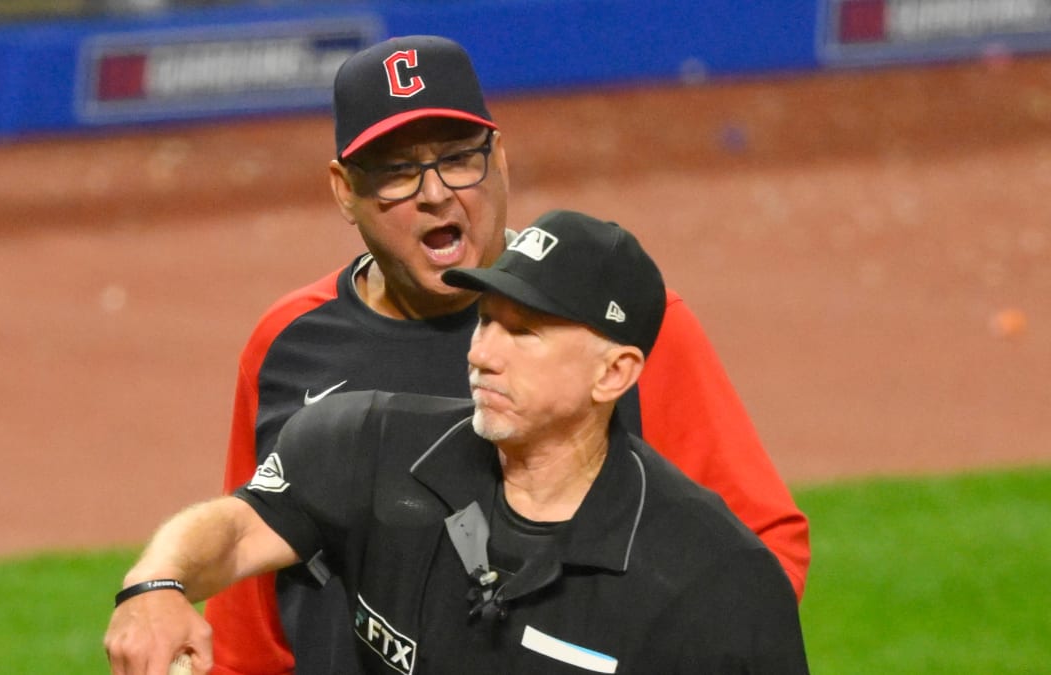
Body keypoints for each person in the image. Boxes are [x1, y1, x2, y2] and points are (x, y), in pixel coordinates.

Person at [203, 34, 810, 675]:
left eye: (459, 158)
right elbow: (249, 620)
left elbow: (759, 552)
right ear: (344, 190)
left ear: (500, 159)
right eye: (396, 171)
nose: (434, 193)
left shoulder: (607, 329)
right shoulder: (290, 345)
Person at [104, 210, 810, 674]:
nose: (483, 354)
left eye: (524, 332)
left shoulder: (712, 578)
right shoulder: (370, 444)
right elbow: (233, 531)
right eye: (486, 321)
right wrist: (155, 584)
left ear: (614, 372)